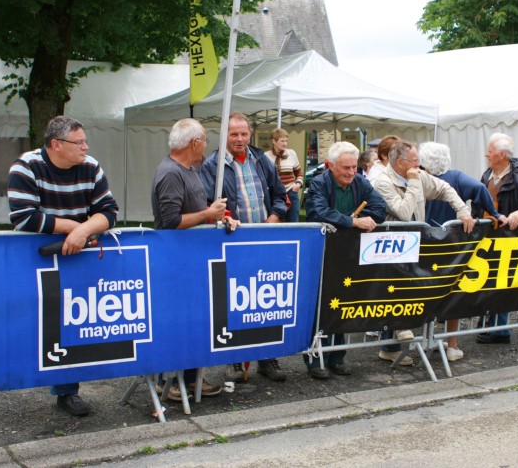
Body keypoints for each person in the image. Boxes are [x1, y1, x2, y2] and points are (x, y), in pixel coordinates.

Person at [8, 116, 119, 416]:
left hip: (76, 256)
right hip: (36, 259)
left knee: (71, 322)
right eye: (79, 142)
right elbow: (24, 218)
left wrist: (83, 232)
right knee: (35, 323)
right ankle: (8, 379)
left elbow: (109, 212)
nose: (86, 147)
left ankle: (67, 391)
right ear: (56, 144)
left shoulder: (91, 166)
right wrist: (75, 228)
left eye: (85, 141)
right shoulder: (26, 167)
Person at [151, 118, 240, 400]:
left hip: (191, 258)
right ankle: (168, 381)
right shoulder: (170, 172)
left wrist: (221, 218)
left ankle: (189, 379)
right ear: (193, 143)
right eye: (204, 140)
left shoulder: (189, 169)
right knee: (177, 321)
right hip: (176, 260)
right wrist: (207, 214)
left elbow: (198, 208)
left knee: (194, 320)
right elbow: (171, 221)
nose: (205, 145)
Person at [200, 112, 289, 383]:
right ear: (224, 135)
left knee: (266, 301)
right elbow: (206, 203)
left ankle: (267, 358)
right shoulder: (212, 165)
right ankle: (234, 360)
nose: (239, 139)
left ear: (250, 133)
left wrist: (274, 216)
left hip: (264, 242)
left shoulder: (261, 160)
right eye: (233, 134)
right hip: (232, 243)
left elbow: (280, 195)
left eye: (243, 133)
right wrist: (225, 218)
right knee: (234, 303)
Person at [372, 139, 475, 364]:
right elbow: (403, 211)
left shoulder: (417, 175)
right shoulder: (382, 181)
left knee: (413, 290)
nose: (419, 165)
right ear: (400, 162)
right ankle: (390, 345)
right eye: (415, 160)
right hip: (390, 247)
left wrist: (462, 211)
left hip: (414, 244)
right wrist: (413, 182)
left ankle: (410, 341)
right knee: (393, 292)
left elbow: (444, 188)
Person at [305, 141, 387, 378]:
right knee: (320, 307)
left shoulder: (360, 182)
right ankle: (315, 360)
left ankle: (337, 357)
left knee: (342, 303)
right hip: (321, 252)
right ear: (330, 165)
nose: (351, 172)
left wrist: (358, 220)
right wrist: (353, 222)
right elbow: (318, 212)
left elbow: (380, 208)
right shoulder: (319, 183)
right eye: (346, 167)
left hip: (347, 254)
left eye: (354, 167)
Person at [419, 142, 507, 361]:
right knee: (453, 295)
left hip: (426, 245)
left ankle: (426, 340)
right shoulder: (456, 178)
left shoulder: (421, 179)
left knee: (426, 293)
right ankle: (452, 345)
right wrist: (493, 212)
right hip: (454, 244)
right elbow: (479, 189)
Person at [474, 133, 518, 345]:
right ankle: (489, 323)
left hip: (506, 241)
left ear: (502, 155)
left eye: (490, 151)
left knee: (501, 284)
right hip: (487, 239)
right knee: (487, 282)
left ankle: (500, 330)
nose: (486, 154)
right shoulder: (487, 175)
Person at [264, 128, 304, 223]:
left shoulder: (291, 153)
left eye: (286, 141)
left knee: (293, 223)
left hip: (291, 192)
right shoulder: (266, 156)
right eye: (282, 141)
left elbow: (299, 173)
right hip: (275, 195)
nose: (285, 144)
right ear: (274, 141)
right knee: (274, 224)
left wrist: (297, 185)